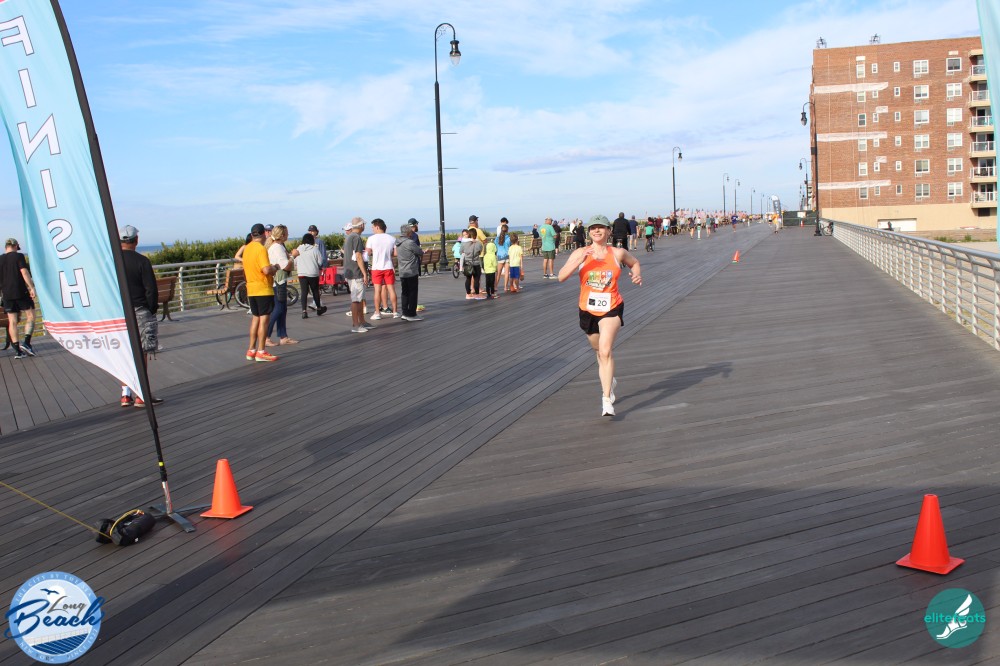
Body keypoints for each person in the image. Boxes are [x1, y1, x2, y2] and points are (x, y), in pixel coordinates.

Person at [557, 214, 641, 417]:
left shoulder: (618, 253)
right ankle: (609, 378)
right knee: (598, 350)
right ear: (589, 232)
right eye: (593, 228)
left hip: (612, 307)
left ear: (608, 231)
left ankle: (606, 399)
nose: (597, 230)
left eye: (601, 227)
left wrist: (637, 274)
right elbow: (561, 276)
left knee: (605, 351)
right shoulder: (580, 252)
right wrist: (578, 261)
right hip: (587, 309)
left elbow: (635, 262)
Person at [117, 226, 164, 407]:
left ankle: (125, 394)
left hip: (120, 312)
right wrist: (150, 309)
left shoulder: (112, 261)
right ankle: (141, 395)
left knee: (124, 352)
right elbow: (151, 289)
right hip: (140, 311)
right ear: (136, 240)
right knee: (142, 351)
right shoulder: (142, 261)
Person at [243, 223, 279, 360]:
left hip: (251, 288)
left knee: (255, 319)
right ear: (264, 233)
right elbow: (266, 270)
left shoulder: (247, 248)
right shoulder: (260, 249)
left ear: (252, 234)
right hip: (263, 288)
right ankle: (261, 351)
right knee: (264, 320)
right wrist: (275, 267)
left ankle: (251, 350)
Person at [0, 238, 37, 358]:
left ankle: (18, 351)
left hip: (7, 294)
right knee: (31, 316)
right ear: (16, 246)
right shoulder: (19, 256)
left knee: (12, 321)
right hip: (21, 292)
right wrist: (31, 287)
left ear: (6, 247)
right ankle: (26, 343)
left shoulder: (0, 259)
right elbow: (24, 272)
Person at [264, 225, 297, 347]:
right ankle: (266, 336)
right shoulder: (277, 248)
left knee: (282, 308)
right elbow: (286, 266)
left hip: (278, 281)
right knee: (278, 309)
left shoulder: (276, 246)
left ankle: (283, 336)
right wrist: (293, 256)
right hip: (278, 282)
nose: (288, 235)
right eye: (287, 233)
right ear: (282, 235)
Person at [366, 218, 398, 319]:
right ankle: (395, 312)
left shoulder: (371, 239)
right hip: (388, 266)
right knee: (391, 289)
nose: (372, 229)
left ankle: (377, 313)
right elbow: (395, 253)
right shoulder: (392, 239)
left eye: (372, 227)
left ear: (377, 227)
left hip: (376, 268)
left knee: (377, 291)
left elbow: (368, 253)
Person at [343, 217, 371, 333]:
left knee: (359, 298)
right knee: (356, 300)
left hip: (350, 272)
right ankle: (356, 324)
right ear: (361, 225)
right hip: (356, 273)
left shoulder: (349, 237)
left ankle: (362, 321)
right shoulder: (356, 238)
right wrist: (365, 273)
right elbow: (358, 256)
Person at [395, 222, 423, 321]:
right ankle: (411, 314)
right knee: (412, 292)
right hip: (411, 270)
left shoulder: (398, 242)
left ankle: (405, 312)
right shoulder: (409, 243)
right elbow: (419, 252)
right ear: (408, 232)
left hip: (402, 271)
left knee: (405, 292)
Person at [294, 233, 326, 318]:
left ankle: (304, 311)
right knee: (315, 291)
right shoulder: (315, 249)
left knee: (304, 292)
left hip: (301, 273)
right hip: (313, 273)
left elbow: (295, 261)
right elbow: (320, 262)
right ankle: (319, 309)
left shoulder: (298, 249)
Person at [462, 228, 484, 299]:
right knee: (476, 279)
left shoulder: (464, 243)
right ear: (476, 235)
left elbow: (461, 251)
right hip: (476, 263)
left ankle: (468, 294)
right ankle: (477, 294)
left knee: (468, 279)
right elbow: (480, 252)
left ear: (468, 235)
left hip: (467, 263)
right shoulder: (479, 243)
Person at [495, 224, 511, 292]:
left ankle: (495, 286)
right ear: (507, 230)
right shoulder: (509, 238)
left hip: (500, 256)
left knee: (498, 272)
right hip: (507, 255)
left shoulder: (497, 238)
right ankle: (505, 287)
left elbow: (496, 246)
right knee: (506, 272)